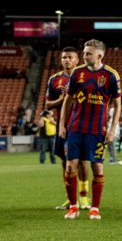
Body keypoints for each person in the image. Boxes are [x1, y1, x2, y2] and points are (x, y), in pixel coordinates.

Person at [58, 39, 122, 220]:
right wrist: (62, 124)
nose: (84, 56)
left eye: (88, 54)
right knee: (70, 166)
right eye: (84, 53)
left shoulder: (111, 75)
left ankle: (95, 208)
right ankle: (73, 207)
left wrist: (111, 130)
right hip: (76, 128)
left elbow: (118, 105)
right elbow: (68, 100)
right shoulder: (77, 73)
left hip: (97, 130)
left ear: (99, 55)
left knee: (98, 168)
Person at [46, 47, 89, 210]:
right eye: (64, 57)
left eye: (70, 57)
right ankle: (71, 198)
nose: (67, 60)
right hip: (63, 127)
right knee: (65, 162)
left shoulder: (85, 77)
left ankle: (84, 196)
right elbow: (48, 104)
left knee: (83, 161)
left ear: (77, 60)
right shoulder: (54, 80)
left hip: (82, 126)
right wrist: (62, 99)